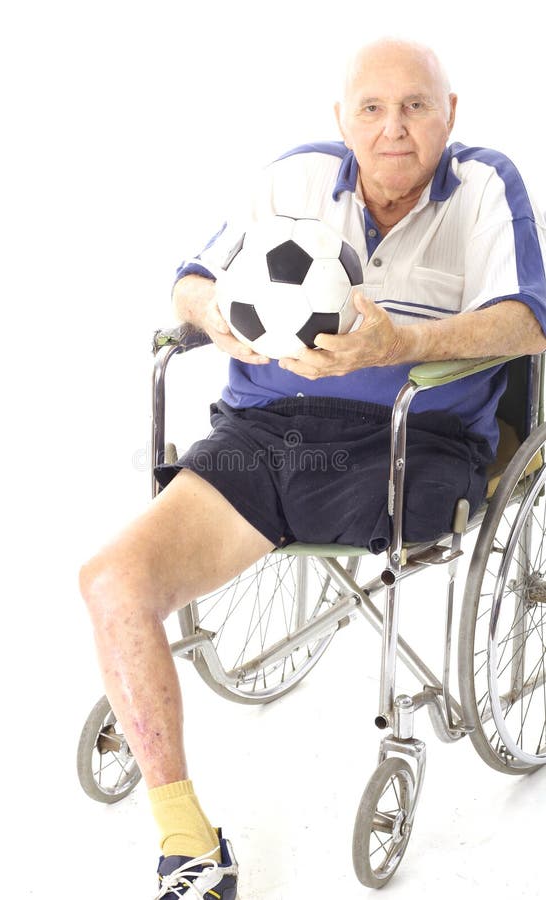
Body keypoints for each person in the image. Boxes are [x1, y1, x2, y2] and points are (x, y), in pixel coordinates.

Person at [79, 37, 546, 898]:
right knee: (111, 581)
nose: (394, 129)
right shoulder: (292, 180)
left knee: (345, 486)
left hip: (418, 444)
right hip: (266, 432)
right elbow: (189, 282)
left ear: (451, 115)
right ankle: (187, 840)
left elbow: (527, 320)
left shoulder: (485, 185)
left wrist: (403, 342)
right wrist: (217, 314)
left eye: (415, 106)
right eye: (371, 108)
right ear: (342, 120)